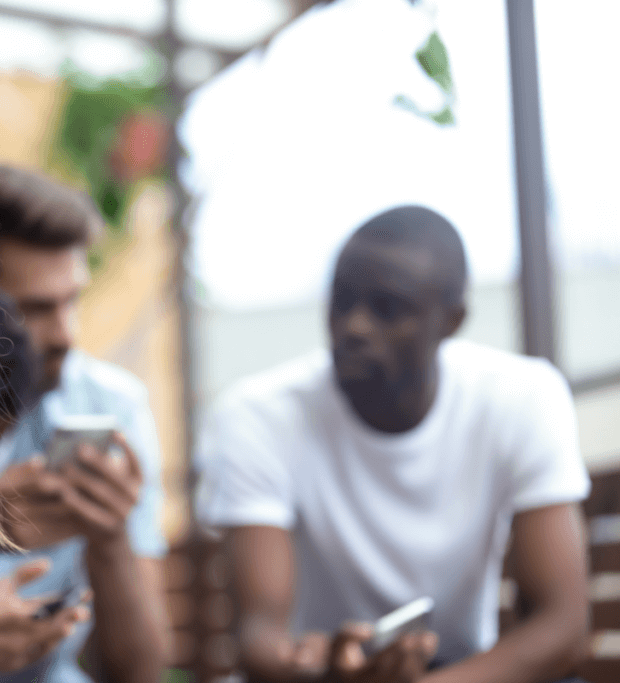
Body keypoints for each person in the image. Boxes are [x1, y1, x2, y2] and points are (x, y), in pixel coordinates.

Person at [196, 206, 591, 683]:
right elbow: (259, 634)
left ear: (452, 320)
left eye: (388, 307)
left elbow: (563, 625)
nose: (355, 327)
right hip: (323, 674)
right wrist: (315, 664)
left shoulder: (522, 397)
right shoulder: (258, 415)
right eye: (341, 302)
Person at [0, 164, 170, 683]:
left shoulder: (107, 407)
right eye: (35, 309)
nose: (65, 335)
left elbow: (140, 672)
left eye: (72, 299)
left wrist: (111, 538)